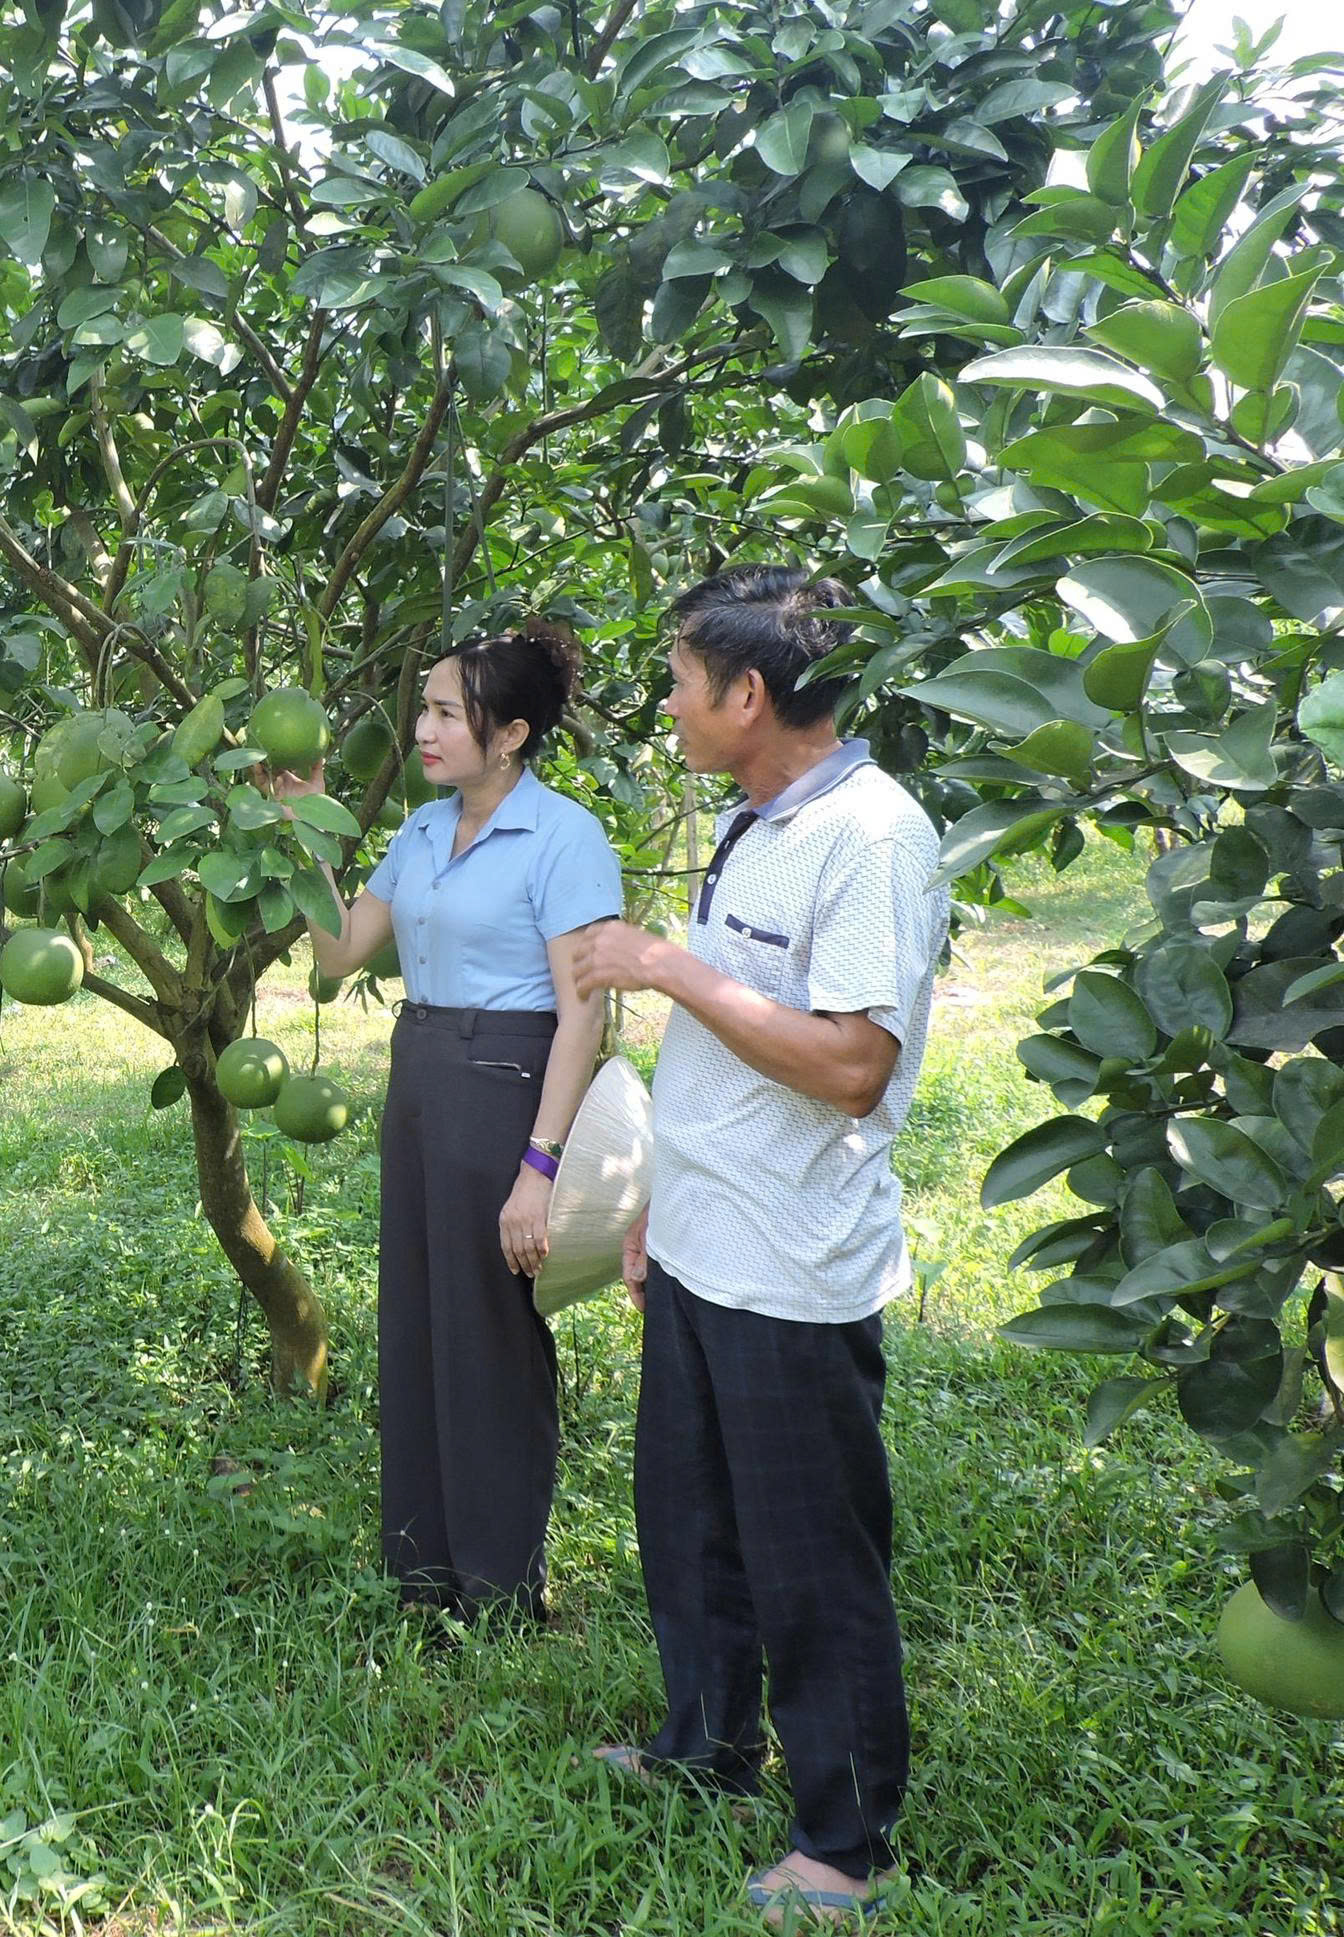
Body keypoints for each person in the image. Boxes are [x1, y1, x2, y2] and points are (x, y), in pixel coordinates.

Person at [571, 566, 948, 1926]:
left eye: (680, 679)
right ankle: (709, 1747)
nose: (666, 702)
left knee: (813, 1557)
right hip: (702, 1244)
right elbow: (733, 1057)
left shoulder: (871, 838)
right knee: (691, 1527)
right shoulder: (758, 819)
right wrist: (661, 1202)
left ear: (747, 694)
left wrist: (670, 967)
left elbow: (851, 1063)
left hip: (792, 1267)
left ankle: (844, 1841)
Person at [273, 622, 622, 1625]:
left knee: (492, 1332)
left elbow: (581, 1013)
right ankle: (422, 1567)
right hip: (422, 1071)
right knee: (419, 1318)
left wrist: (539, 1164)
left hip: (508, 1078)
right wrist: (299, 830)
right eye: (421, 707)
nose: (420, 729)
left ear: (508, 732)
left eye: (442, 711)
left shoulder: (562, 837)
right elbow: (342, 953)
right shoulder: (423, 830)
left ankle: (502, 1581)